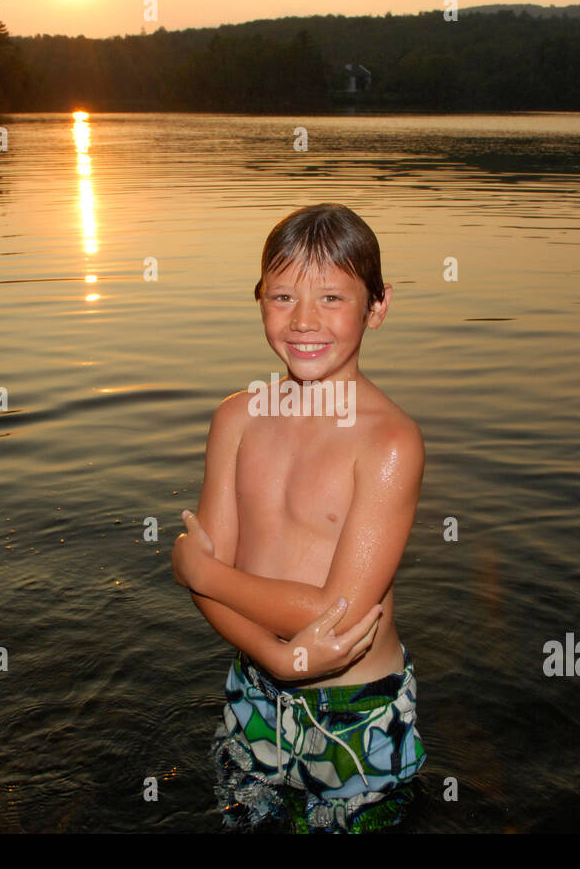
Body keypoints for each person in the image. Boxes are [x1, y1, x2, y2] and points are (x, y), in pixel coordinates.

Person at [171, 202, 427, 833]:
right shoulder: (236, 419)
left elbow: (336, 614)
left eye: (333, 298)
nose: (304, 321)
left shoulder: (390, 443)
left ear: (378, 306)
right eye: (283, 296)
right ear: (259, 298)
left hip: (356, 714)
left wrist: (192, 568)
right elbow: (218, 573)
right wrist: (276, 660)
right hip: (255, 689)